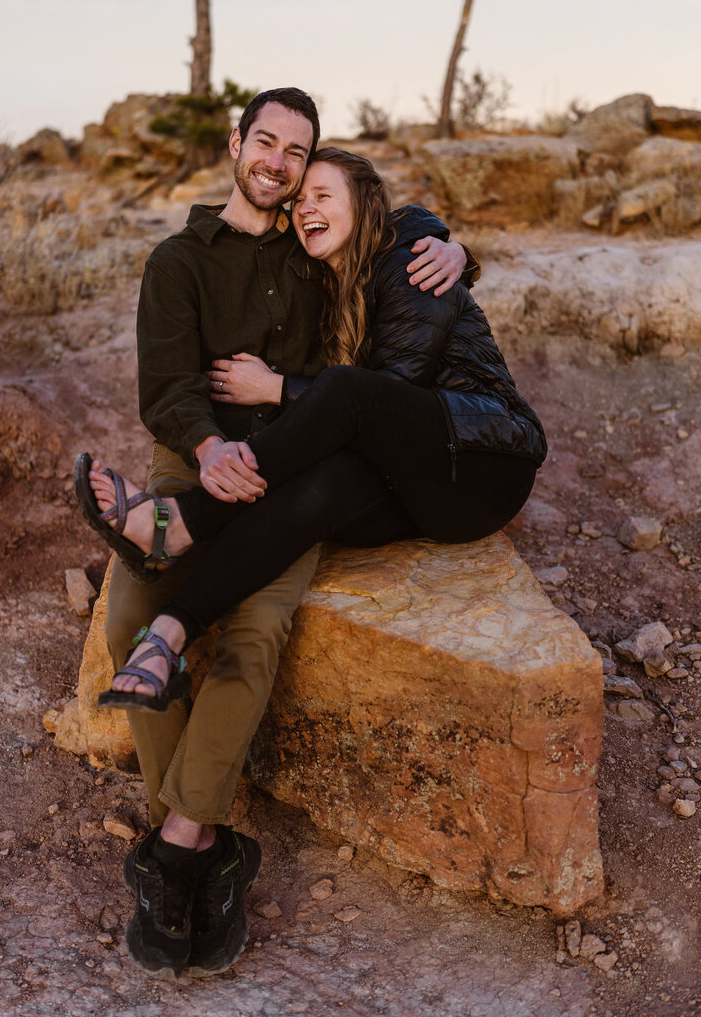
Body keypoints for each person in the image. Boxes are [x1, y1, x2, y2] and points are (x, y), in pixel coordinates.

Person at [87, 88, 475, 982]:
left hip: (290, 471)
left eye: (296, 153)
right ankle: (203, 836)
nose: (277, 162)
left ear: (308, 166)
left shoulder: (317, 256)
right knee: (127, 627)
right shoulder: (178, 259)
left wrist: (459, 251)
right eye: (264, 141)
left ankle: (176, 852)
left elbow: (392, 252)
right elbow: (167, 386)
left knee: (253, 633)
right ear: (236, 144)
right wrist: (209, 443)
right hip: (191, 462)